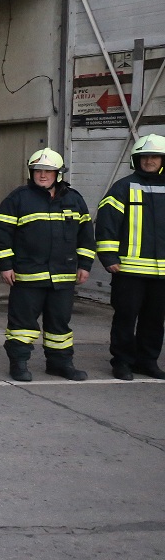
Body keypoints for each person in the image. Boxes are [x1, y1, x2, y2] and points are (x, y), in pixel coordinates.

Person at [0, 148, 95, 382]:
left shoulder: (74, 200)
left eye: (48, 171)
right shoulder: (19, 198)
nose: (42, 175)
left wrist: (85, 265)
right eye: (38, 170)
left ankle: (60, 364)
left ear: (59, 174)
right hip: (28, 276)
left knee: (60, 324)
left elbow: (86, 236)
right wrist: (5, 265)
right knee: (22, 325)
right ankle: (19, 363)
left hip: (63, 277)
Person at [95, 132, 165, 381]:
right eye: (144, 157)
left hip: (161, 273)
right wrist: (108, 256)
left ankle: (148, 362)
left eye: (155, 156)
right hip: (128, 270)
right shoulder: (123, 187)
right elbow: (107, 223)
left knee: (154, 320)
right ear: (136, 160)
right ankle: (122, 362)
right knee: (125, 318)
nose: (149, 161)